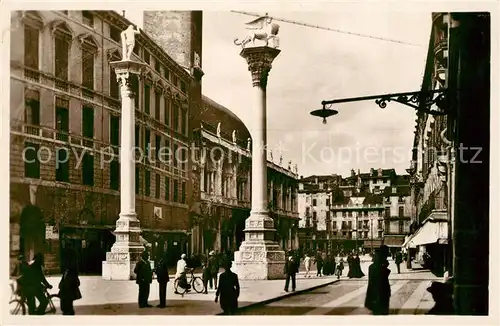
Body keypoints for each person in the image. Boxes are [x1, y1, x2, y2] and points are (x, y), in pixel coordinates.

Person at [364, 246, 391, 315]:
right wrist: (385, 269)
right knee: (381, 311)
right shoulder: (378, 265)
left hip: (377, 292)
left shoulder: (373, 266)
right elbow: (380, 277)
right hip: (380, 292)